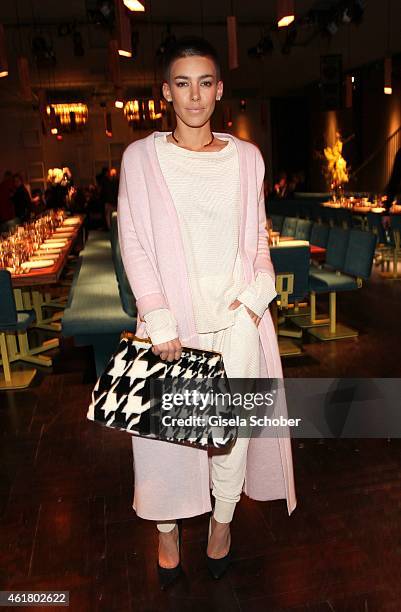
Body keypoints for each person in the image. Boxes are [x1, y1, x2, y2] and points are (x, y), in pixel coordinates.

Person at [117, 36, 296, 587]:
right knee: (165, 435)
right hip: (172, 328)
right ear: (165, 91)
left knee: (230, 436)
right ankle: (166, 528)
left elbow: (257, 242)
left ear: (219, 89)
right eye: (181, 83)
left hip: (238, 322)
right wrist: (158, 316)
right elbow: (135, 242)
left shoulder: (247, 158)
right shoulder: (141, 157)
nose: (194, 96)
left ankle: (221, 524)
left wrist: (254, 301)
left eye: (205, 83)